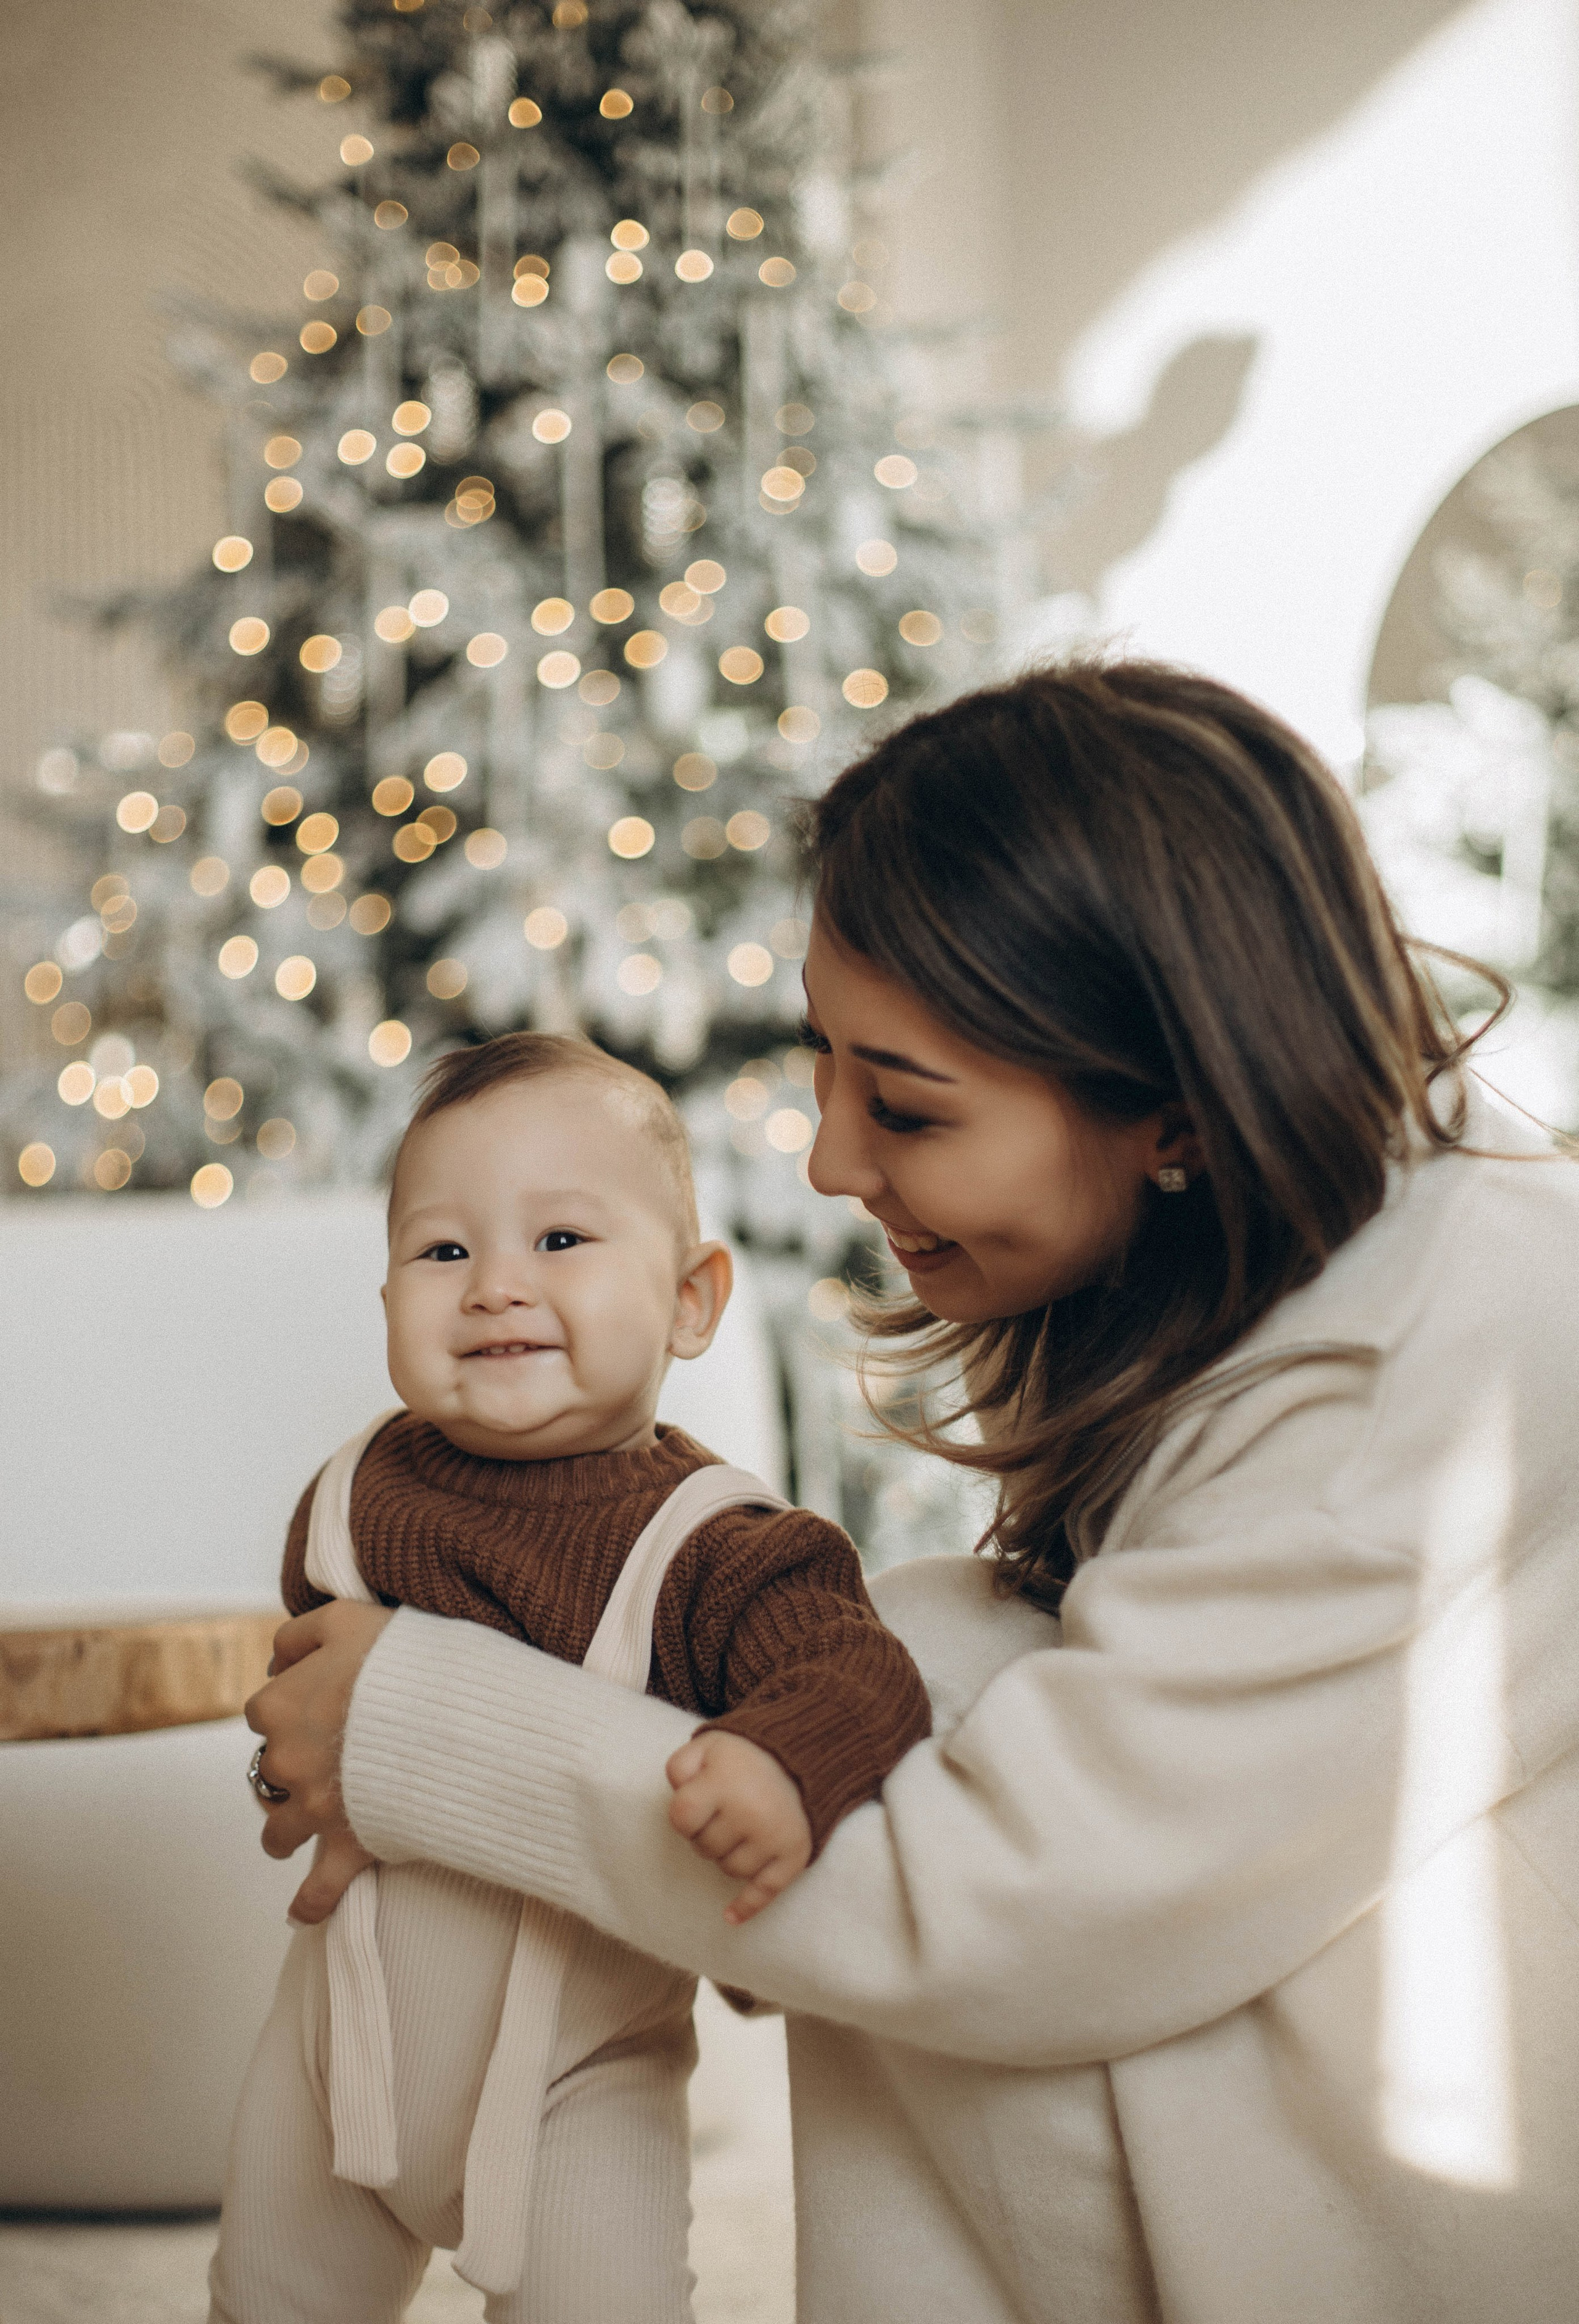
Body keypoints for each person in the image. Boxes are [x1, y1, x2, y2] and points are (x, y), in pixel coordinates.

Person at [247, 661, 1579, 2324]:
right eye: (828, 1068)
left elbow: (1000, 1907)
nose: (829, 1160)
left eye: (908, 1105)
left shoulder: (1426, 1375)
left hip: (1432, 2207)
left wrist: (426, 1730)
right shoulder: (1312, 1241)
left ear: (1171, 1109)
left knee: (910, 1747)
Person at [212, 1034, 930, 2324]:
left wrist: (774, 1762)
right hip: (339, 2047)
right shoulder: (352, 1500)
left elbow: (854, 1672)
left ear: (690, 1299)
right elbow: (310, 1704)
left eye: (558, 1242)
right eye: (443, 1253)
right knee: (267, 2299)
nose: (493, 1288)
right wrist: (297, 1783)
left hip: (577, 2080)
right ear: (386, 1306)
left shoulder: (722, 1548)